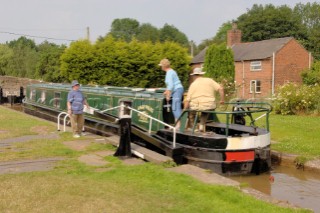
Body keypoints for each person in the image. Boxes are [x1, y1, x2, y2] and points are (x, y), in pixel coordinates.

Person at [184, 67, 225, 132]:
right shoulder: (209, 80)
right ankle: (201, 125)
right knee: (205, 111)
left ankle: (194, 129)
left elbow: (187, 100)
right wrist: (222, 100)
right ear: (202, 74)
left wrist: (185, 109)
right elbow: (221, 89)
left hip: (197, 105)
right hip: (209, 105)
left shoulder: (193, 84)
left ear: (194, 76)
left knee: (191, 114)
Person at [158, 58, 184, 128]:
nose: (161, 67)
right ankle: (177, 125)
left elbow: (171, 85)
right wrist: (167, 91)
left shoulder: (169, 73)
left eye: (161, 66)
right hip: (177, 89)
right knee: (175, 107)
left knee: (175, 107)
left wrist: (168, 95)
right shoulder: (172, 71)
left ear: (163, 66)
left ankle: (179, 126)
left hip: (177, 90)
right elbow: (171, 84)